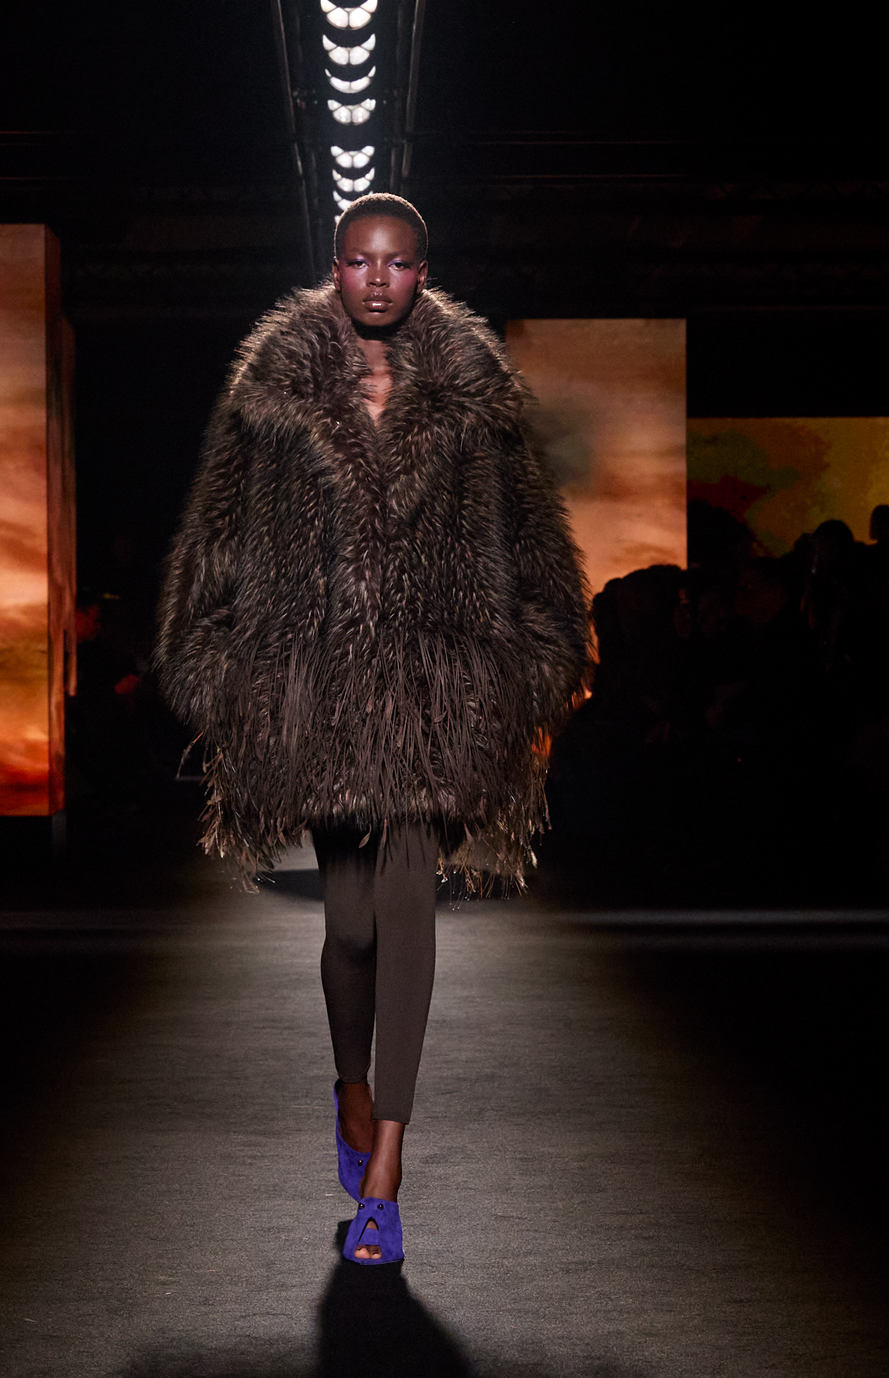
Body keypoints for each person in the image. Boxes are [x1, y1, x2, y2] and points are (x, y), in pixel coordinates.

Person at [156, 194, 588, 1263]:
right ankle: (350, 1086)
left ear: (423, 272)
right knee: (348, 926)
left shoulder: (476, 395)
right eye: (360, 262)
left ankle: (387, 1169)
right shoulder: (272, 393)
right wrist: (218, 671)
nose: (379, 280)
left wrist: (529, 665)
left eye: (398, 264)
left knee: (406, 913)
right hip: (318, 696)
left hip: (440, 694)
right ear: (335, 267)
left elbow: (536, 541)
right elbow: (214, 538)